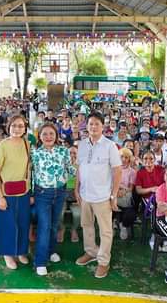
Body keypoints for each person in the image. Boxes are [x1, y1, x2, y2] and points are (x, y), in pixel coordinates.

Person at [75, 112, 122, 279]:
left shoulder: (110, 146)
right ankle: (91, 252)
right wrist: (76, 188)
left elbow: (117, 171)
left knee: (105, 231)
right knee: (87, 225)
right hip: (85, 195)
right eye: (90, 124)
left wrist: (114, 195)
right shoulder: (82, 144)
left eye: (96, 124)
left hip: (103, 196)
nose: (93, 127)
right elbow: (80, 168)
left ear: (103, 126)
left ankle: (103, 261)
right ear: (86, 126)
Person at [30, 123, 72, 276]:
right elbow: (31, 174)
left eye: (51, 134)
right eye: (45, 134)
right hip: (42, 194)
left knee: (54, 225)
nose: (48, 137)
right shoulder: (35, 153)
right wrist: (32, 194)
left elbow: (69, 168)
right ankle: (40, 261)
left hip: (60, 192)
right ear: (39, 137)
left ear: (56, 136)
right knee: (44, 226)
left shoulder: (63, 151)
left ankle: (51, 251)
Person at [0, 115, 32, 269]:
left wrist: (30, 190)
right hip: (5, 192)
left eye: (21, 126)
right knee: (6, 225)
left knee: (22, 223)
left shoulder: (27, 144)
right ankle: (8, 254)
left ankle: (21, 251)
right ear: (9, 127)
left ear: (25, 128)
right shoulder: (2, 146)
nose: (17, 129)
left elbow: (28, 169)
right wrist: (0, 197)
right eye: (14, 125)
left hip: (23, 191)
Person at [116, 148, 137, 241]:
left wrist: (123, 191)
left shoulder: (132, 172)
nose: (123, 159)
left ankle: (123, 226)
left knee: (129, 212)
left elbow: (131, 188)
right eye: (121, 157)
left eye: (126, 157)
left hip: (125, 193)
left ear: (129, 159)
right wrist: (116, 191)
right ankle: (112, 225)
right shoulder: (113, 169)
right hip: (114, 192)